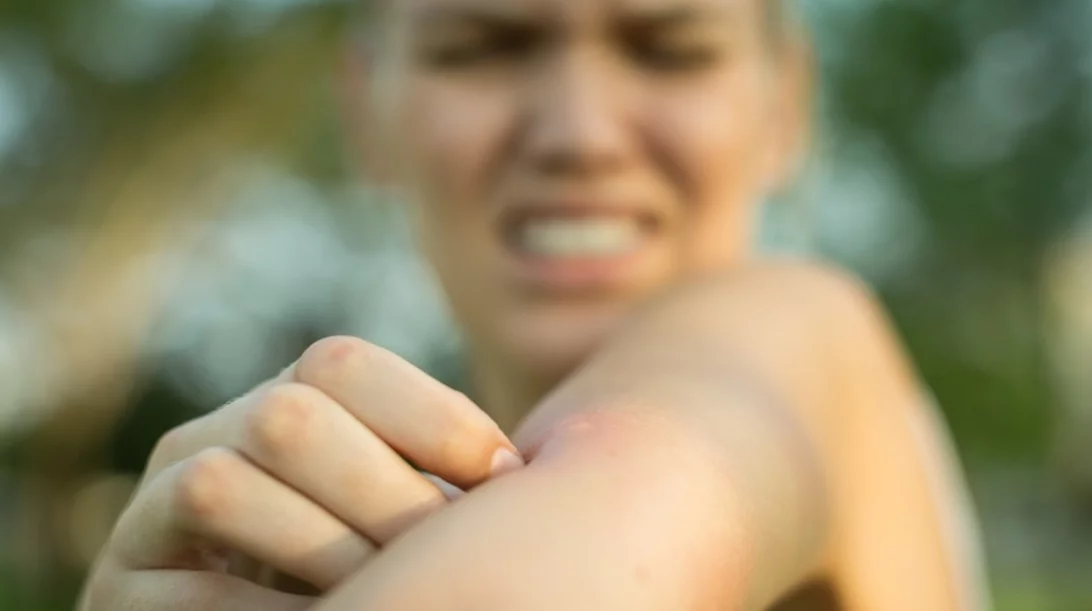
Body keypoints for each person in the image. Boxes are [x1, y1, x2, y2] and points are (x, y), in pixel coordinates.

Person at [79, 0, 991, 609]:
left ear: (784, 109)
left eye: (668, 49)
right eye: (483, 49)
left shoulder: (807, 339)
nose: (579, 133)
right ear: (368, 116)